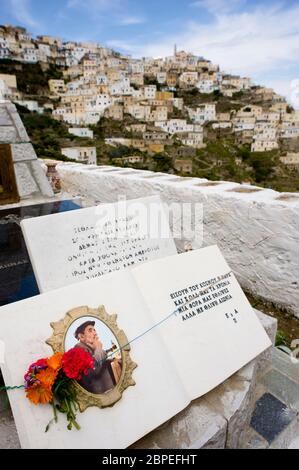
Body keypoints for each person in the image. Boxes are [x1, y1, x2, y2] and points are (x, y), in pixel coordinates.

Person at [73, 320, 117, 394]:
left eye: (94, 330)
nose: (95, 333)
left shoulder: (91, 348)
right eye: (90, 331)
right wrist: (98, 348)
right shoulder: (79, 348)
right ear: (82, 336)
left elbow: (100, 362)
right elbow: (93, 369)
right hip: (100, 392)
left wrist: (112, 360)